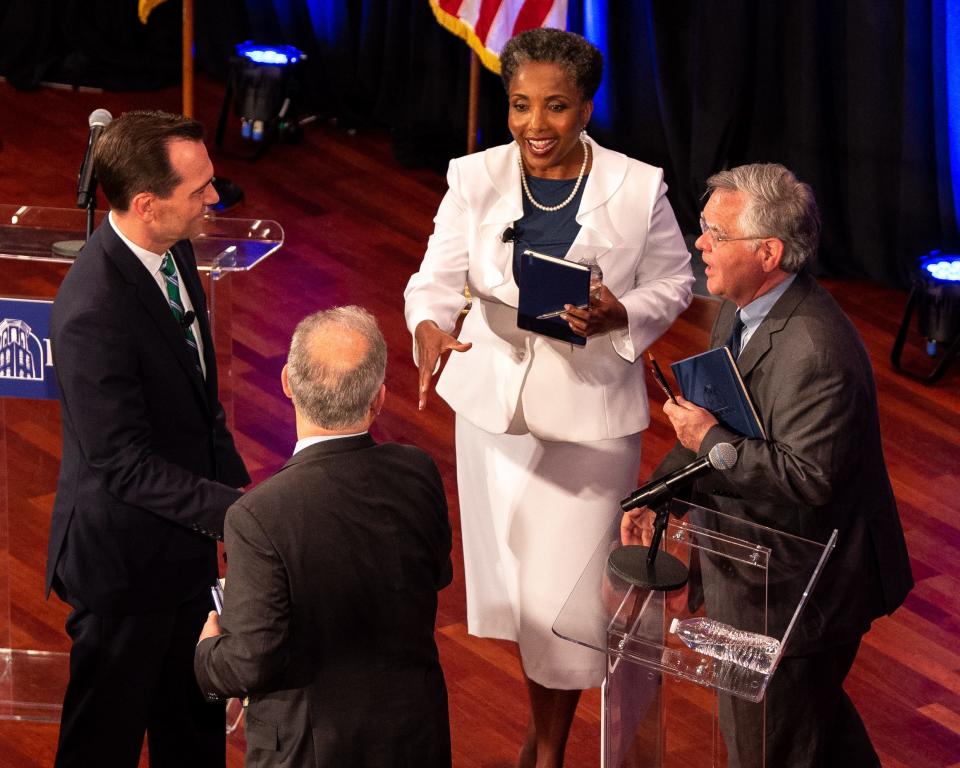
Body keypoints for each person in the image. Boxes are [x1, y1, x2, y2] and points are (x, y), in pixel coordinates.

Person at [404, 27, 694, 767]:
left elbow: (675, 281)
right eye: (521, 105)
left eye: (556, 107)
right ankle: (544, 739)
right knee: (519, 589)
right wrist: (431, 328)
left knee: (565, 595)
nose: (535, 125)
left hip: (591, 413)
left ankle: (550, 752)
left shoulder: (637, 185)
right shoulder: (475, 178)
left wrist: (620, 313)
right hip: (494, 410)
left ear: (587, 107)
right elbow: (433, 278)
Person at [622, 163, 913, 767]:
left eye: (715, 233)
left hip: (796, 596)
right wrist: (656, 497)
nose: (699, 242)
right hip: (757, 582)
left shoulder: (815, 351)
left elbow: (807, 478)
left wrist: (706, 441)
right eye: (703, 227)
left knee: (766, 749)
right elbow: (714, 413)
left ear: (768, 252)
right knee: (816, 735)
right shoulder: (741, 307)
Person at [46, 110, 250, 767]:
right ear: (146, 205)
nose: (212, 202)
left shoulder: (173, 248)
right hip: (123, 575)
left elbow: (197, 399)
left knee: (192, 740)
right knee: (100, 746)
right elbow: (124, 466)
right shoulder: (92, 309)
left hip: (184, 558)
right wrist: (240, 517)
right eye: (198, 192)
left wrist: (233, 494)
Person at [194, 306, 453, 767]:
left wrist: (207, 654)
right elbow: (435, 575)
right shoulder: (419, 471)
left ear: (288, 383)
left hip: (310, 753)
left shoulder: (258, 516)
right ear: (379, 400)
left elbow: (250, 662)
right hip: (415, 740)